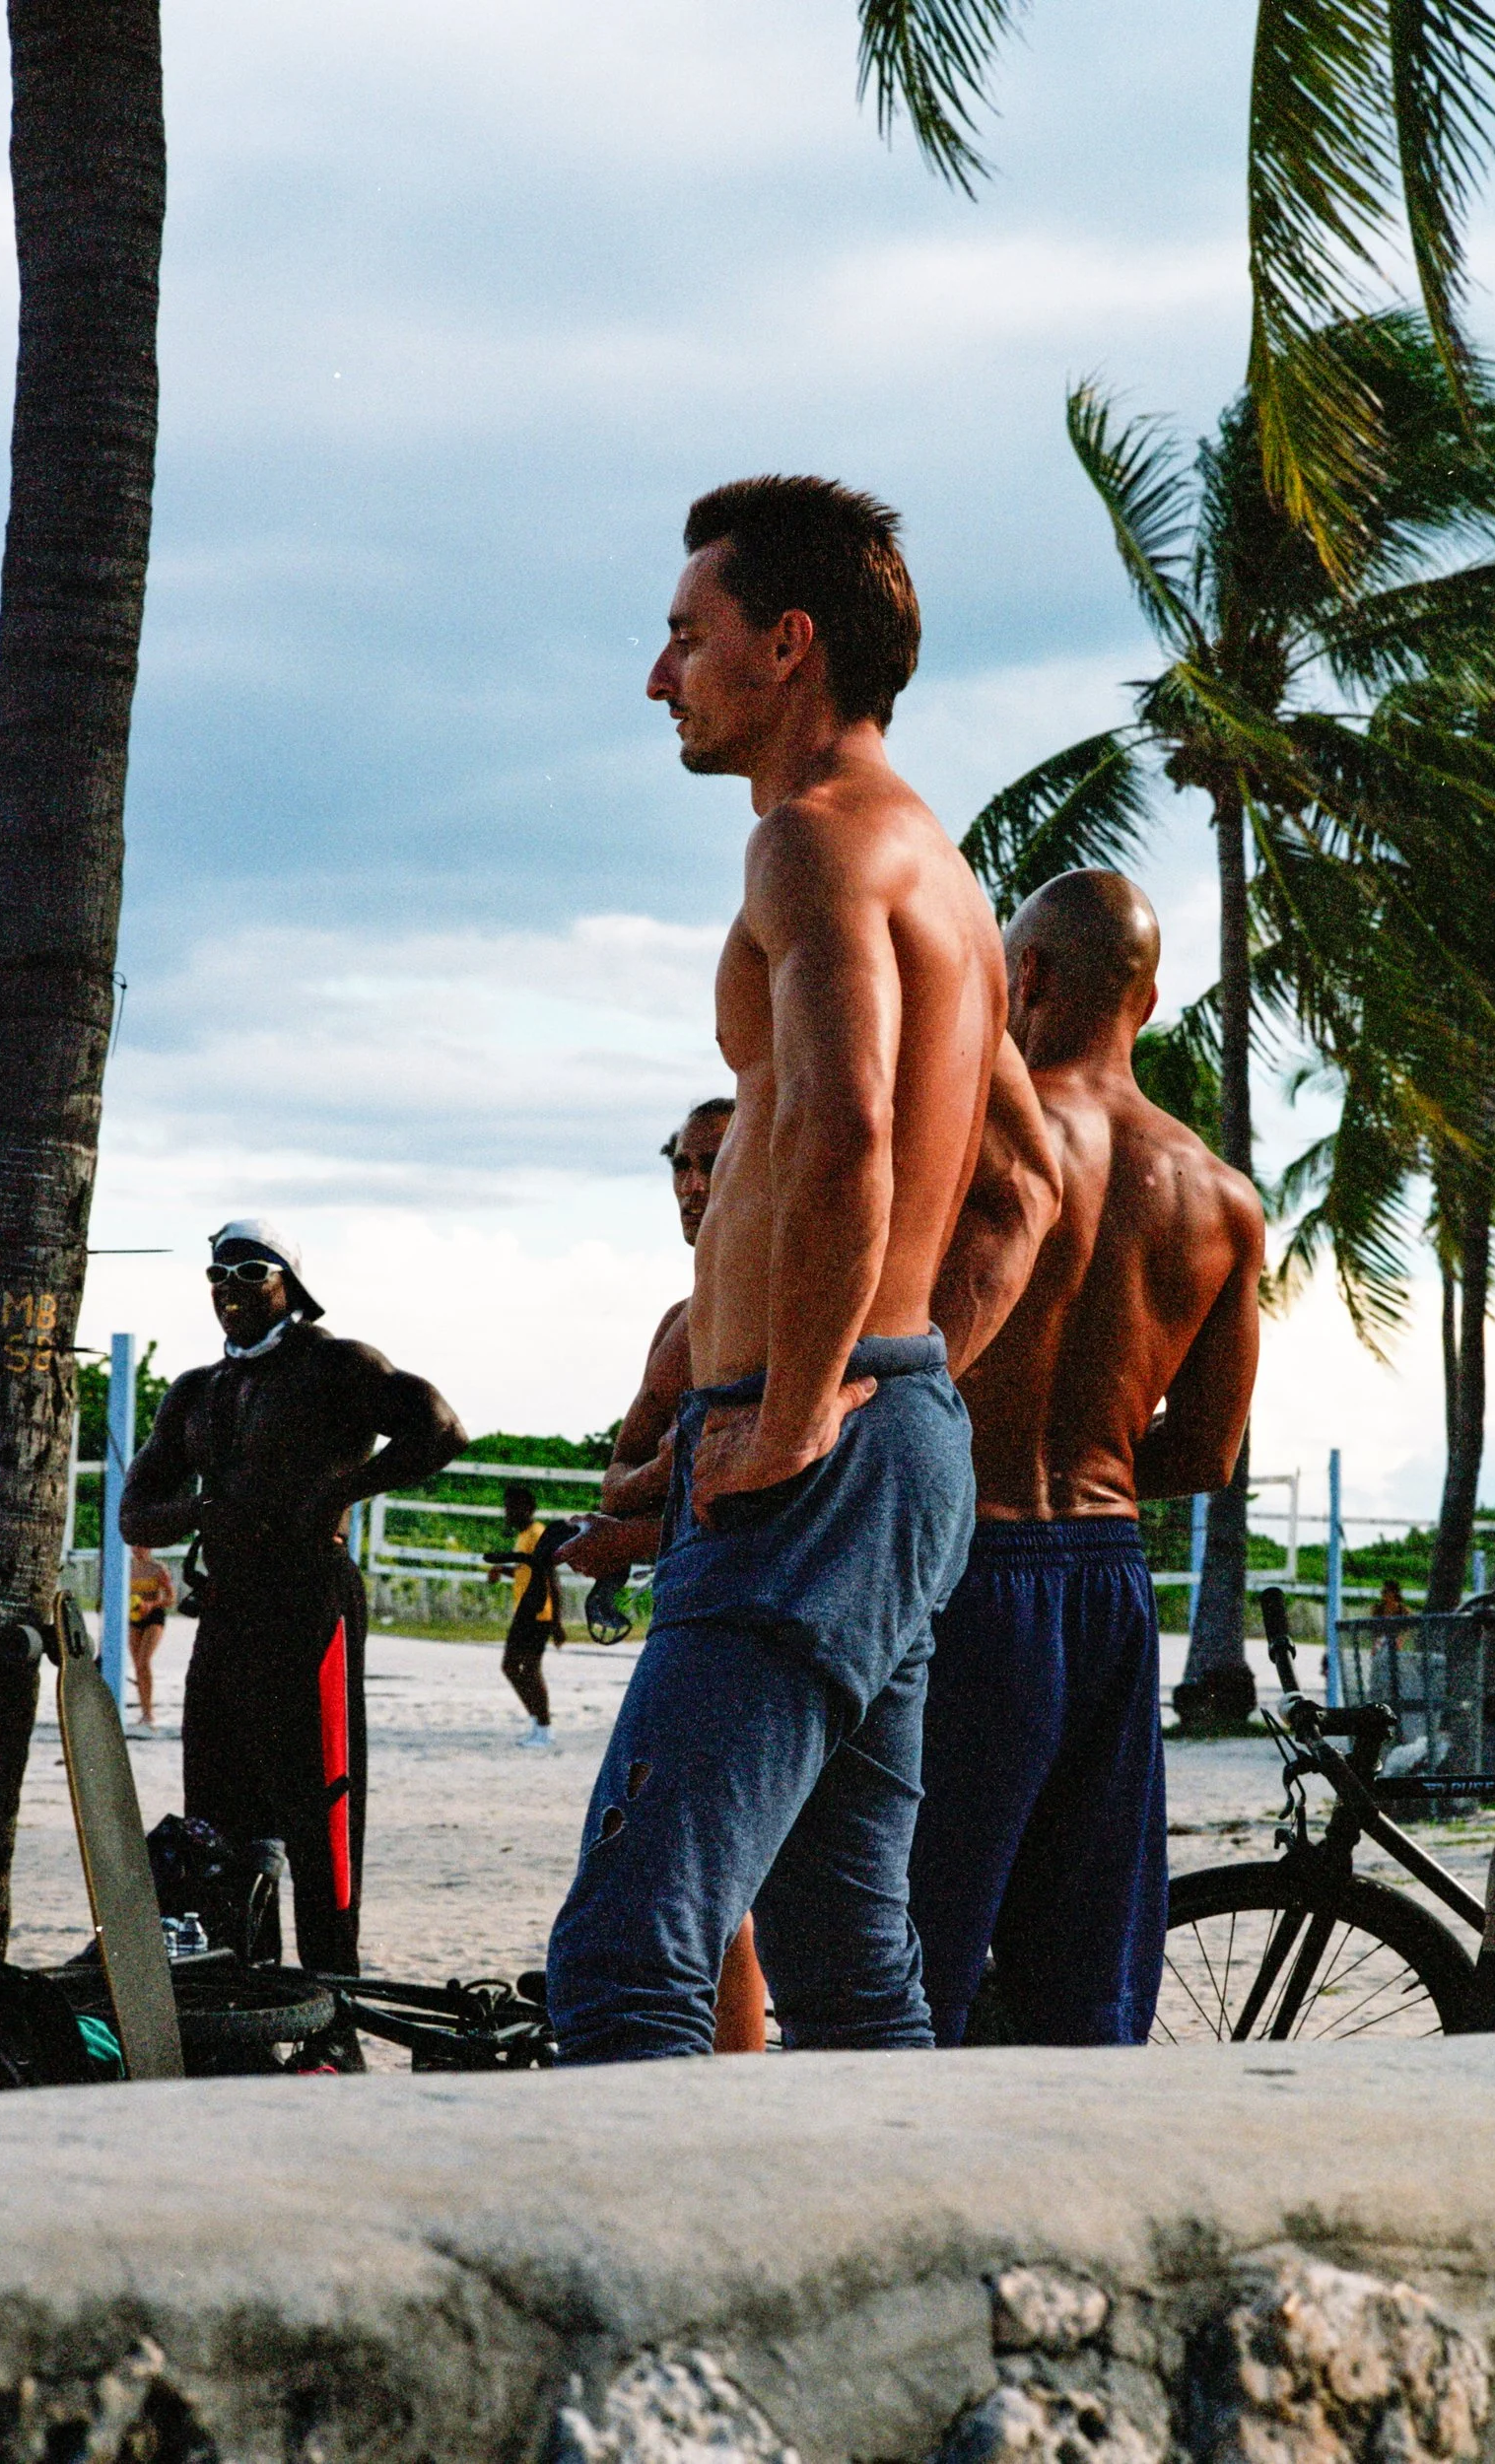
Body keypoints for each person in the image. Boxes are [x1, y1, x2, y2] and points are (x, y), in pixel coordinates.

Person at [543, 473, 1050, 2064]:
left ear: (789, 646)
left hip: (813, 1452)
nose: (658, 677)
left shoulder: (816, 848)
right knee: (846, 1971)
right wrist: (899, 1385)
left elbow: (846, 1135)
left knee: (630, 1952)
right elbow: (1020, 1188)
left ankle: (635, 2319)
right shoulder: (947, 880)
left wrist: (807, 1406)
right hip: (881, 1445)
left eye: (687, 636)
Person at [909, 871, 1262, 2047]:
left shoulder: (981, 1136)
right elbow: (1206, 1450)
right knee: (1090, 1976)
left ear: (1032, 980)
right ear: (1149, 1000)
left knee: (917, 1948)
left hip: (965, 1561)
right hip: (1108, 1582)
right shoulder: (1223, 1198)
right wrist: (1099, 1465)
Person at [120, 1219, 466, 1974]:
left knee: (323, 1813)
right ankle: (247, 1986)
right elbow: (133, 1512)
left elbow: (439, 1429)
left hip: (312, 1599)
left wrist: (342, 1489)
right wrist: (202, 1512)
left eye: (250, 1271)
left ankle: (332, 2001)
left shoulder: (335, 1365)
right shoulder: (197, 1391)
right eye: (216, 1274)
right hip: (230, 1607)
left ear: (290, 1284)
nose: (229, 1288)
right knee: (217, 1815)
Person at [561, 1094, 775, 2048]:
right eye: (679, 1165)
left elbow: (761, 1511)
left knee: (721, 1888)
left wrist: (645, 1511)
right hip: (698, 1608)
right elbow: (621, 1476)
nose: (692, 1185)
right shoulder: (683, 1323)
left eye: (711, 1161)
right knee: (718, 1898)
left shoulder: (793, 1301)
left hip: (763, 1622)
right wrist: (684, 1454)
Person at [489, 1482, 565, 1746]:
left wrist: (558, 1622)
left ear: (528, 1508)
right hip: (525, 1612)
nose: (507, 1513)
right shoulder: (523, 1536)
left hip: (538, 1613)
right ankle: (537, 1723)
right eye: (506, 1507)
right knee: (511, 1667)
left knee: (528, 1668)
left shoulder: (538, 1534)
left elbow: (551, 1576)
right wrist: (503, 1570)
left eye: (512, 1507)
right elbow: (526, 1570)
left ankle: (544, 1729)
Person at [128, 1545, 176, 1730]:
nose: (136, 1550)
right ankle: (144, 1712)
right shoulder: (128, 1569)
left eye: (140, 1546)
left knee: (143, 1661)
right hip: (134, 1617)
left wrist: (151, 1604)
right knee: (137, 1667)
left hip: (154, 1616)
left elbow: (171, 1598)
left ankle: (149, 1714)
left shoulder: (158, 1569)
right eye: (134, 1546)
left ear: (148, 1548)